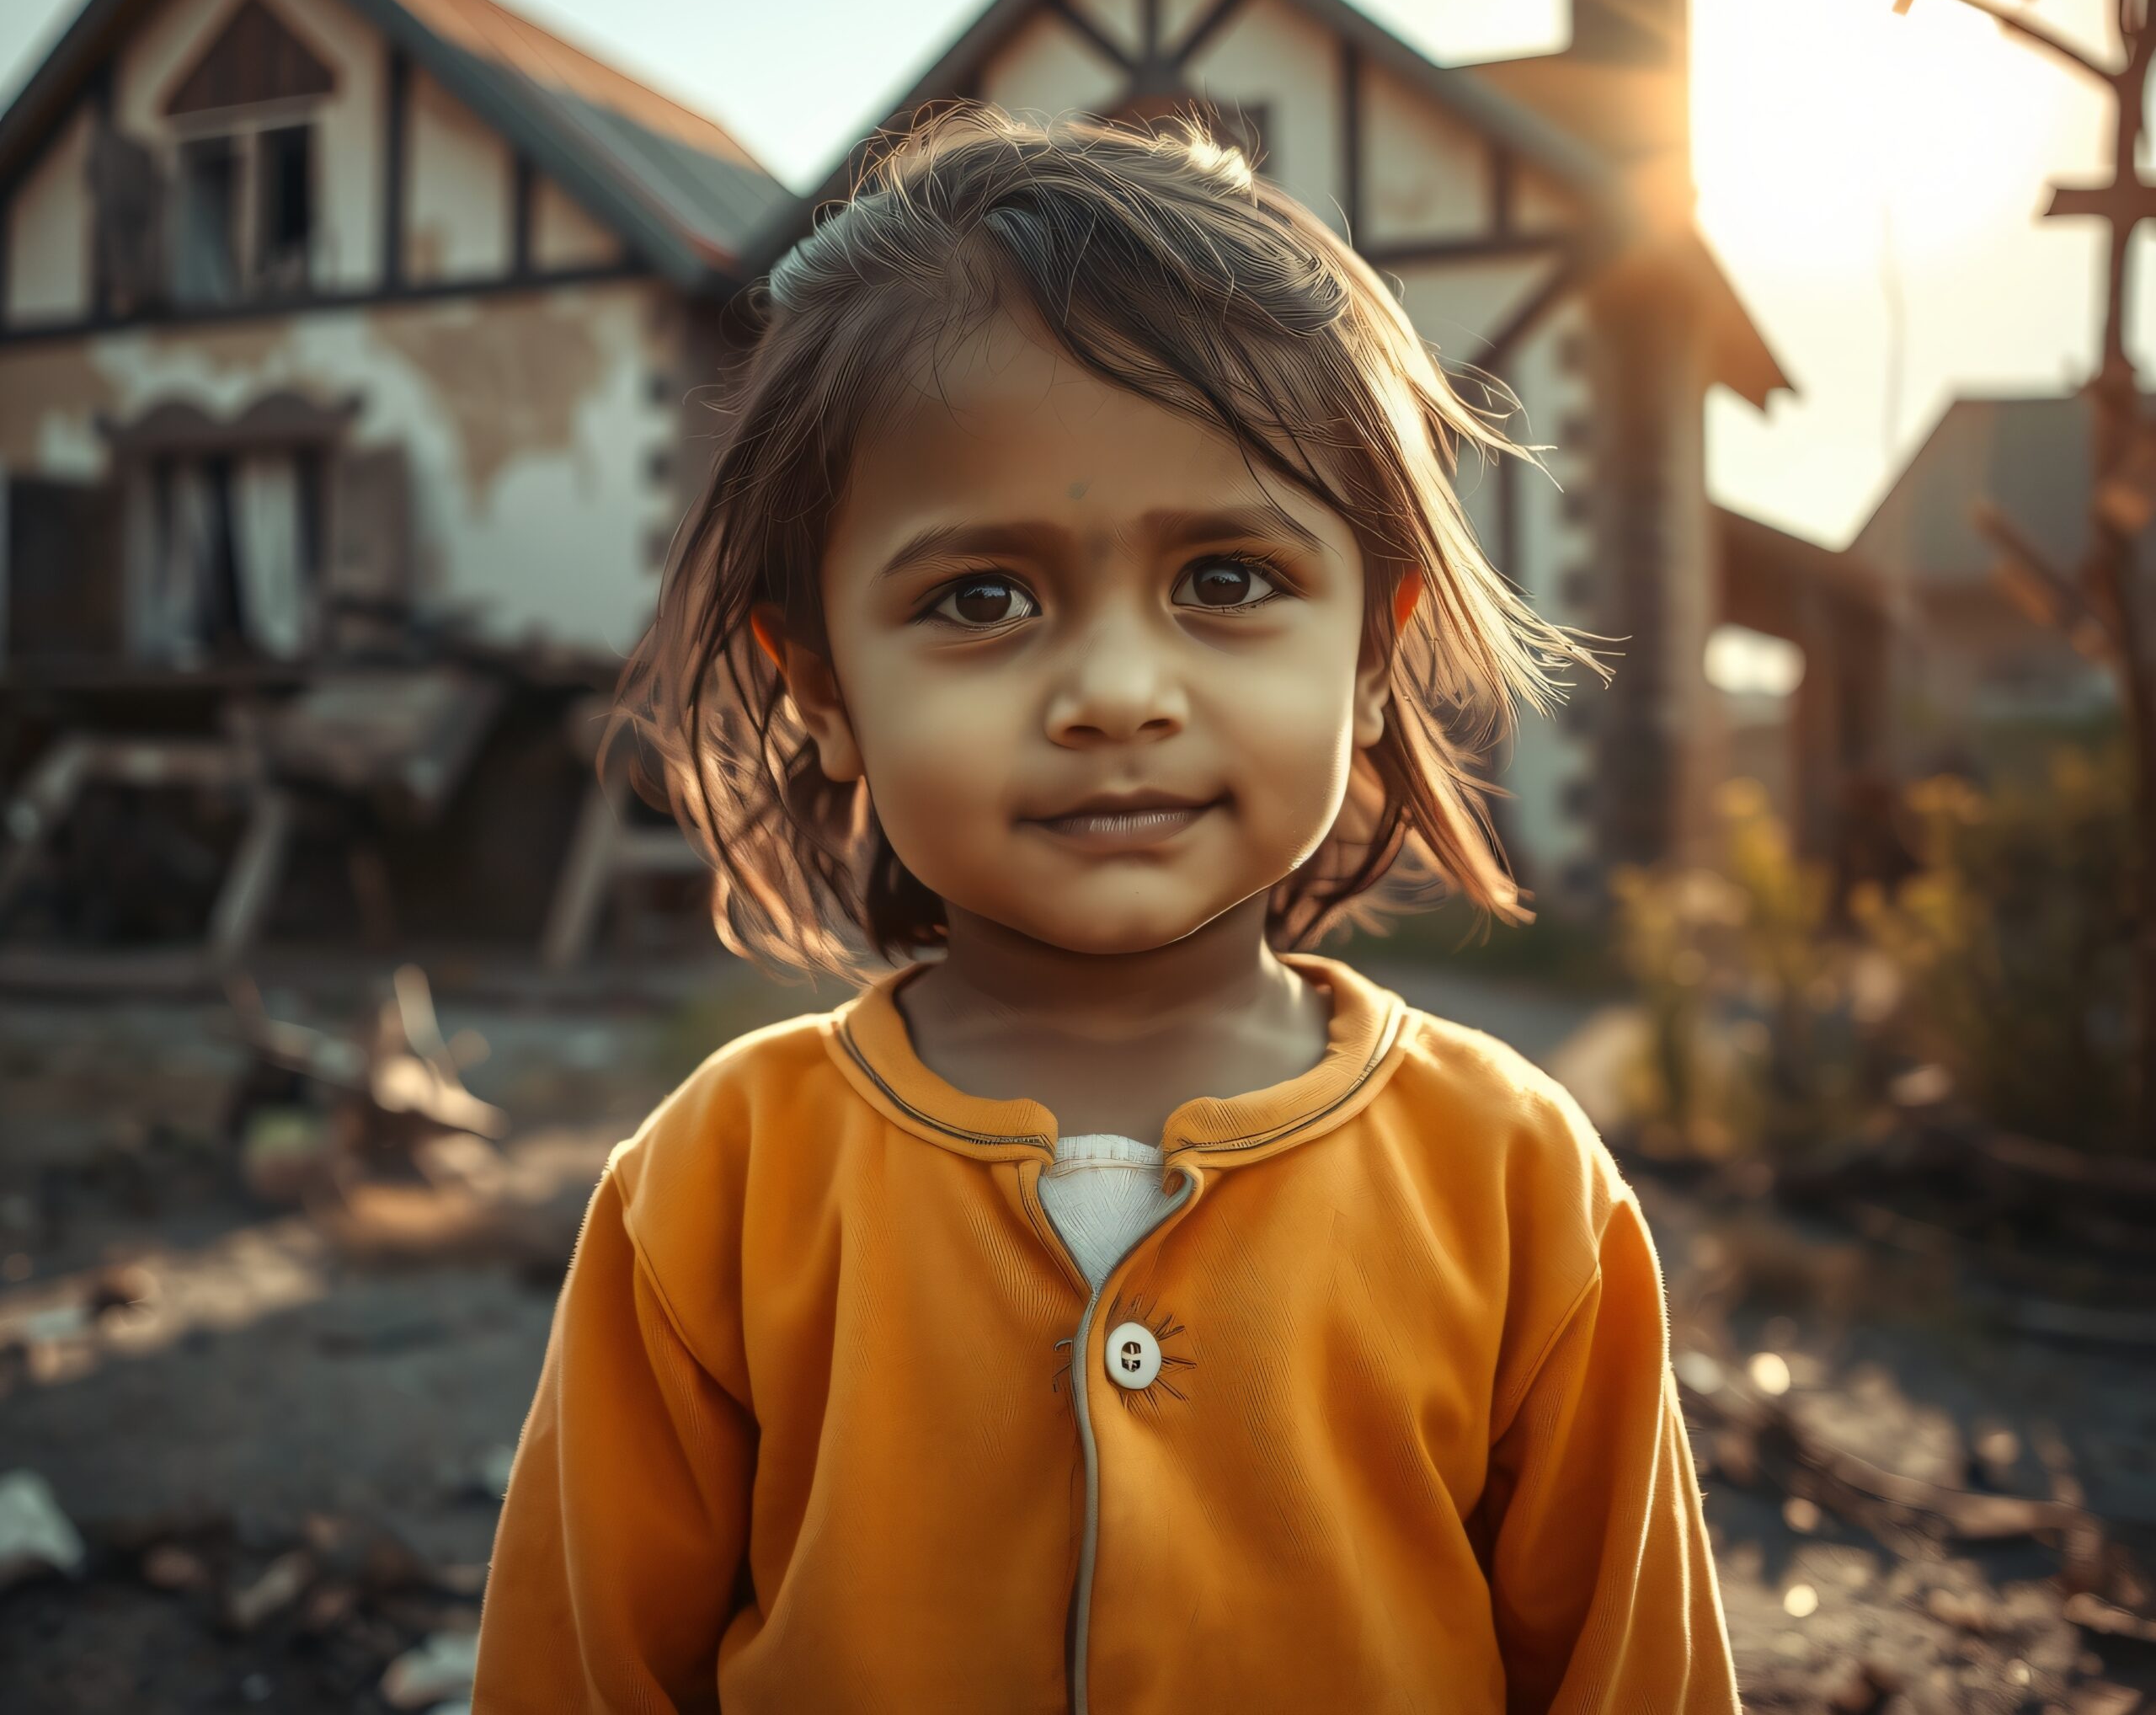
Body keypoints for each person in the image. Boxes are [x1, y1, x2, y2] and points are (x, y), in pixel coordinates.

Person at [472, 105, 1742, 1712]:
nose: (1118, 693)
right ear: (824, 685)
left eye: (1225, 580)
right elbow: (575, 1677)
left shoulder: (1515, 1183)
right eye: (980, 599)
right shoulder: (716, 1186)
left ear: (1368, 654)